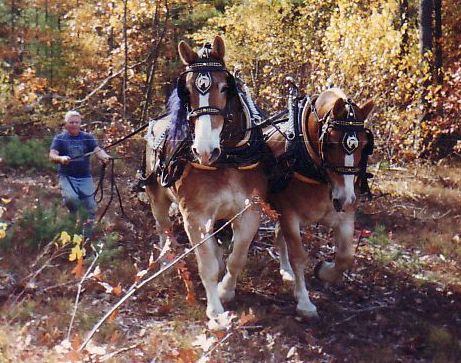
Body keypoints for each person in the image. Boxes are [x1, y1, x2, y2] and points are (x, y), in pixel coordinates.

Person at [49, 110, 111, 238]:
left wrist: (104, 157)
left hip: (84, 177)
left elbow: (97, 150)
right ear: (66, 123)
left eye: (77, 122)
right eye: (71, 122)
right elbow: (52, 155)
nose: (74, 125)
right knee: (72, 199)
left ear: (80, 123)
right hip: (67, 177)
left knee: (91, 206)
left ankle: (86, 237)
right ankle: (72, 226)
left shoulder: (87, 137)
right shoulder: (60, 138)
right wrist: (61, 159)